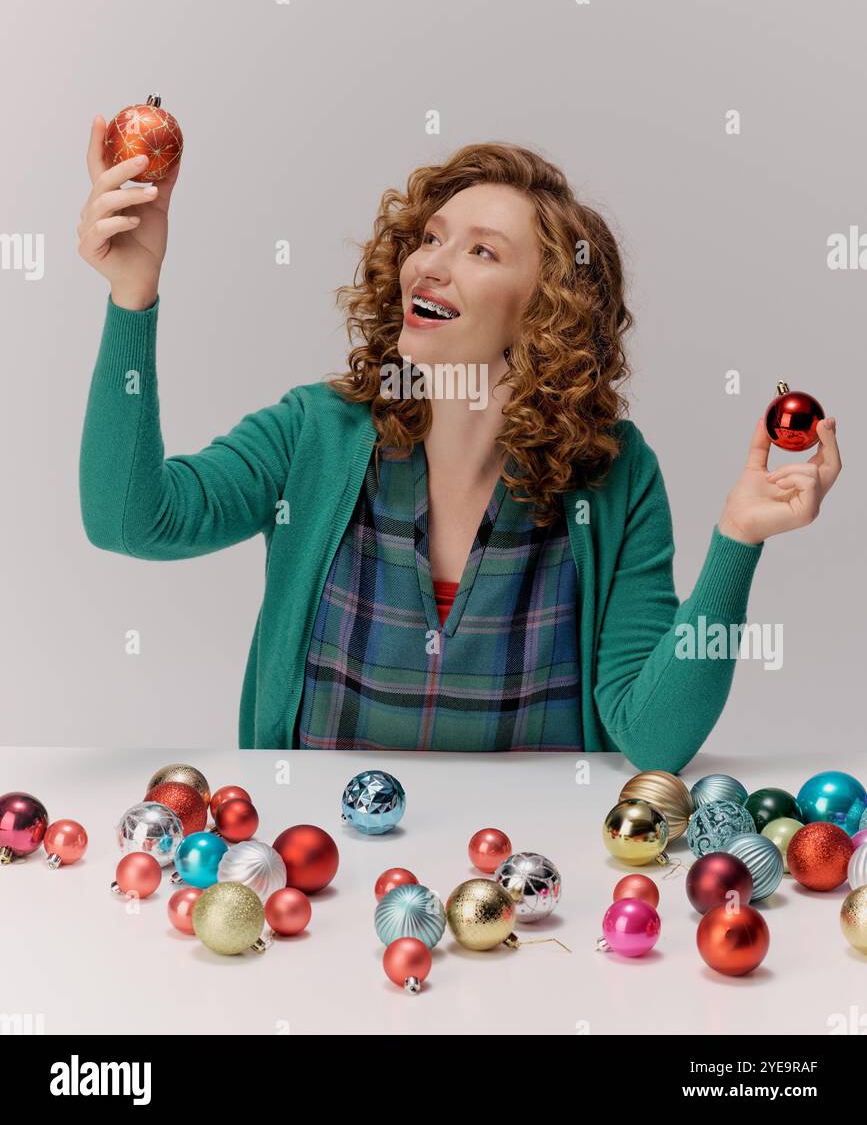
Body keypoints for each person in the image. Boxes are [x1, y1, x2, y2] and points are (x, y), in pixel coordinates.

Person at [77, 125, 841, 768]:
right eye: (432, 238)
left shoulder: (613, 475)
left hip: (532, 890)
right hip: (322, 879)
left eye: (481, 251)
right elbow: (129, 521)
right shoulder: (314, 432)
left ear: (548, 310)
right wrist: (132, 293)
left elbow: (653, 739)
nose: (428, 262)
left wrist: (738, 541)